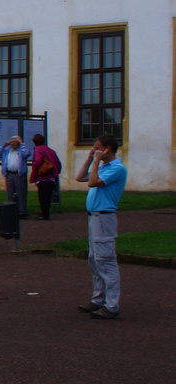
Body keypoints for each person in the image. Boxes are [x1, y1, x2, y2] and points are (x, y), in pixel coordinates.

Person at [76, 134, 127, 319]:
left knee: (106, 260)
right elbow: (80, 177)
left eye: (98, 147)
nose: (94, 150)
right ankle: (98, 299)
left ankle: (112, 306)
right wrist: (91, 158)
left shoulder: (117, 169)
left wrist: (96, 160)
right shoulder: (104, 167)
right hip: (94, 218)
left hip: (104, 217)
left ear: (108, 149)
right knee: (94, 259)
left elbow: (92, 182)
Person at [30, 133, 61, 219]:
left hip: (43, 177)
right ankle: (46, 213)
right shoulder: (51, 150)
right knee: (48, 196)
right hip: (51, 177)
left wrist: (35, 172)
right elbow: (58, 164)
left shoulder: (38, 149)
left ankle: (44, 214)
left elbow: (38, 161)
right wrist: (56, 173)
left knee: (42, 196)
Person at [1, 135, 31, 218]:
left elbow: (27, 153)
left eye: (15, 142)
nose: (13, 144)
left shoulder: (21, 150)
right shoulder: (7, 150)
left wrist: (22, 144)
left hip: (19, 174)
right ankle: (12, 210)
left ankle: (22, 211)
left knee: (21, 193)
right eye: (12, 142)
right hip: (9, 173)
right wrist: (4, 145)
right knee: (10, 193)